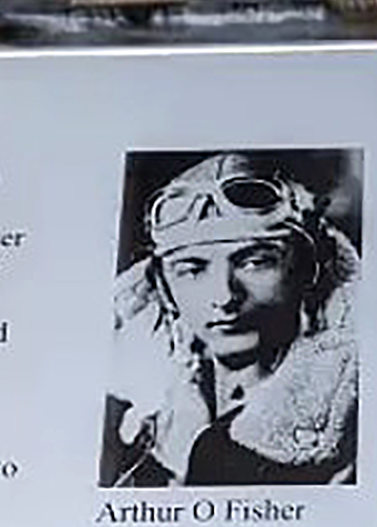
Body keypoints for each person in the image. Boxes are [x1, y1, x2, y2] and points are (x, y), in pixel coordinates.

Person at [103, 152, 359, 487]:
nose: (223, 296)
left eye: (254, 262)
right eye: (192, 269)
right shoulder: (138, 413)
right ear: (164, 287)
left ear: (306, 270)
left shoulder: (349, 428)